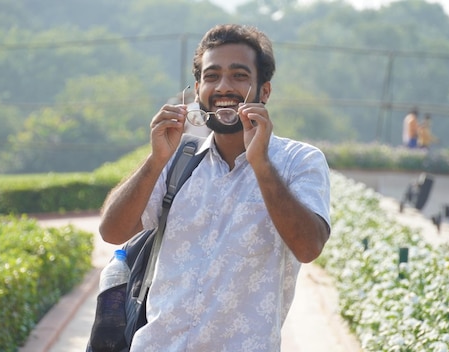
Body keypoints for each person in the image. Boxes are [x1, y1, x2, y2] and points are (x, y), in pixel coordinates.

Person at [99, 24, 331, 351]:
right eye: (212, 76)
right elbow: (112, 230)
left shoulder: (299, 161)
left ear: (264, 91)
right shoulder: (178, 161)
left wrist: (260, 163)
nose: (223, 87)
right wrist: (155, 159)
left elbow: (309, 247)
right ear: (197, 90)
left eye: (239, 75)